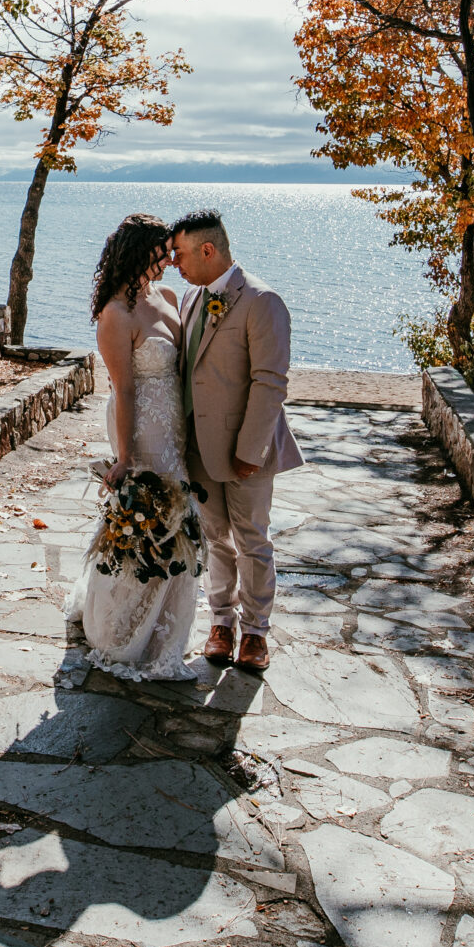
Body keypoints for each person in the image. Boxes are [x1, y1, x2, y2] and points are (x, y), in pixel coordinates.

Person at [70, 212, 205, 681]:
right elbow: (123, 390)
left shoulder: (166, 296)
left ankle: (166, 629)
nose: (169, 260)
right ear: (137, 252)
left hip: (174, 425)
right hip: (140, 427)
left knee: (178, 515)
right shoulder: (115, 314)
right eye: (161, 252)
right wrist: (126, 457)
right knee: (147, 517)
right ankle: (120, 631)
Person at [171, 208, 304, 675]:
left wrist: (251, 451)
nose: (175, 262)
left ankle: (255, 633)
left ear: (209, 250)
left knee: (252, 541)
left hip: (245, 451)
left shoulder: (262, 301)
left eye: (181, 253)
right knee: (215, 541)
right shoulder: (190, 300)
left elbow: (270, 382)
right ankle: (221, 624)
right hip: (198, 450)